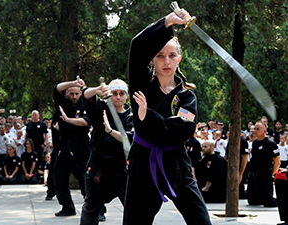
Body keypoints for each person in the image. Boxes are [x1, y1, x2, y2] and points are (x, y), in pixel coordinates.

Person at [123, 10, 212, 225]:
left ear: (179, 59)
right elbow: (137, 48)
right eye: (160, 55)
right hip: (143, 164)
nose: (166, 61)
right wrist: (168, 22)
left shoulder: (186, 96)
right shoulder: (142, 87)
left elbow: (183, 130)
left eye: (172, 55)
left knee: (201, 221)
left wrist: (149, 117)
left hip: (176, 165)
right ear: (152, 59)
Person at [81, 78, 133, 224]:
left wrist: (110, 131)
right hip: (99, 167)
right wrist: (97, 90)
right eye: (114, 93)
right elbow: (86, 95)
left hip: (122, 169)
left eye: (121, 93)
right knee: (91, 207)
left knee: (133, 209)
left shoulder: (131, 117)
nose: (117, 97)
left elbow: (130, 138)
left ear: (126, 95)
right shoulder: (101, 109)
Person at [52, 79, 91, 216]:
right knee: (59, 179)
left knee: (87, 180)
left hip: (81, 147)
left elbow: (85, 122)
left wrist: (68, 120)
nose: (74, 97)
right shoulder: (62, 103)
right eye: (71, 93)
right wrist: (73, 82)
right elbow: (57, 88)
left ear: (81, 94)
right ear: (67, 93)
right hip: (65, 147)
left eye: (77, 94)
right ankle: (67, 207)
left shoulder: (86, 103)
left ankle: (96, 210)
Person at [247, 121, 280, 207]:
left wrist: (271, 174)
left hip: (265, 174)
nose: (255, 131)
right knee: (252, 201)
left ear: (265, 131)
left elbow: (277, 161)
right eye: (255, 128)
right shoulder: (255, 143)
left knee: (268, 202)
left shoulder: (271, 143)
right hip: (254, 175)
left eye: (258, 129)